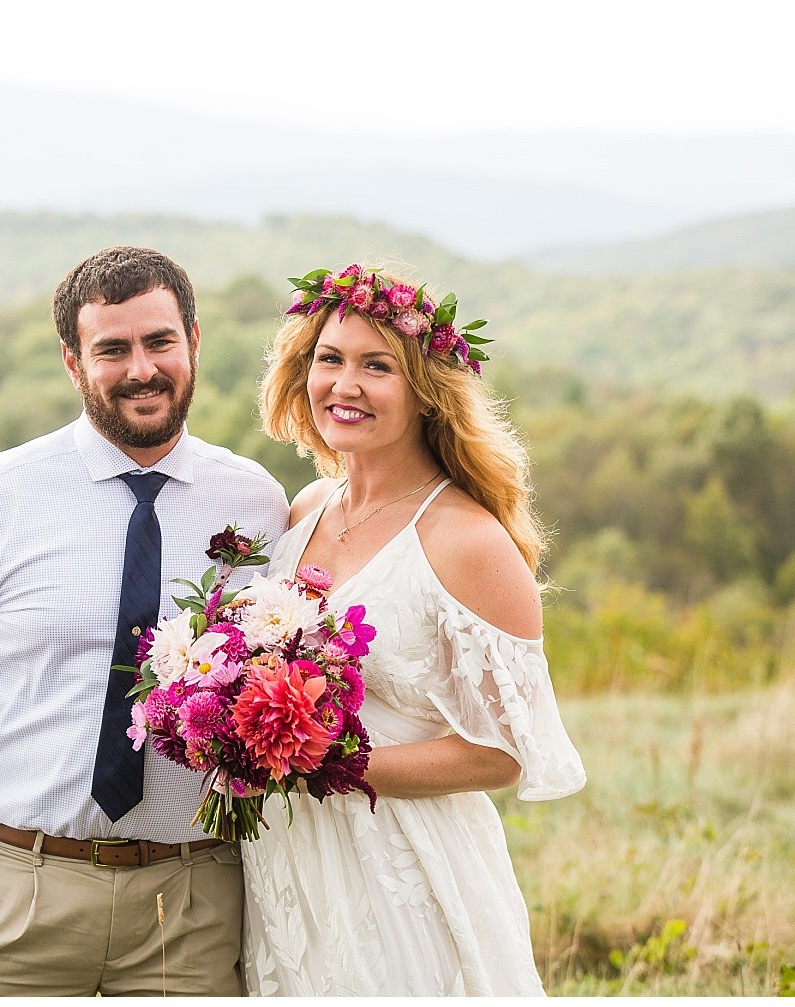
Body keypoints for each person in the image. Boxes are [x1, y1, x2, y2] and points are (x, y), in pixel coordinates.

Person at [0, 246, 289, 996]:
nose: (142, 368)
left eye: (160, 341)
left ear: (194, 343)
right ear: (74, 362)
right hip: (15, 902)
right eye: (113, 349)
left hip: (193, 903)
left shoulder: (256, 503)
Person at [240, 263, 586, 996]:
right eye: (330, 359)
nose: (346, 384)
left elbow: (503, 752)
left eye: (377, 366)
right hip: (288, 860)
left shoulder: (468, 540)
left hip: (406, 872)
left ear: (426, 393)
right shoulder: (305, 511)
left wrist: (330, 763)